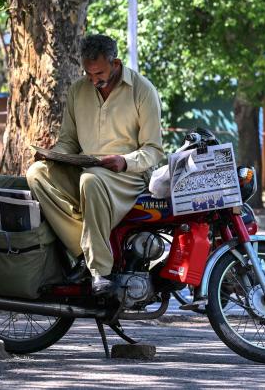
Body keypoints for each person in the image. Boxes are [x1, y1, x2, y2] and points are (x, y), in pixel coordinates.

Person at [26, 34, 164, 295]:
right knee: (36, 174)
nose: (93, 79)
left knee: (91, 180)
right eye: (88, 73)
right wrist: (54, 155)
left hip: (128, 175)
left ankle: (100, 272)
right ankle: (83, 249)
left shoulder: (142, 90)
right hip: (87, 169)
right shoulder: (79, 90)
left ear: (116, 63)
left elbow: (153, 150)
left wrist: (124, 161)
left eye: (99, 72)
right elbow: (68, 141)